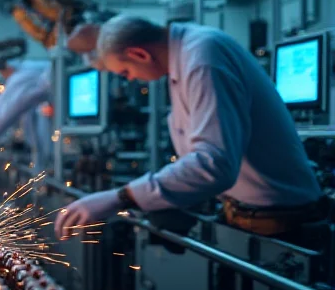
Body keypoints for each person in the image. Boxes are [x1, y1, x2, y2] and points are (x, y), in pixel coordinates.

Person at [54, 14, 328, 246]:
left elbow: (214, 163)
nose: (131, 79)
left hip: (283, 224)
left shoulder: (203, 57)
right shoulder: (185, 57)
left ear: (139, 54)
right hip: (247, 215)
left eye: (125, 71)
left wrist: (121, 197)